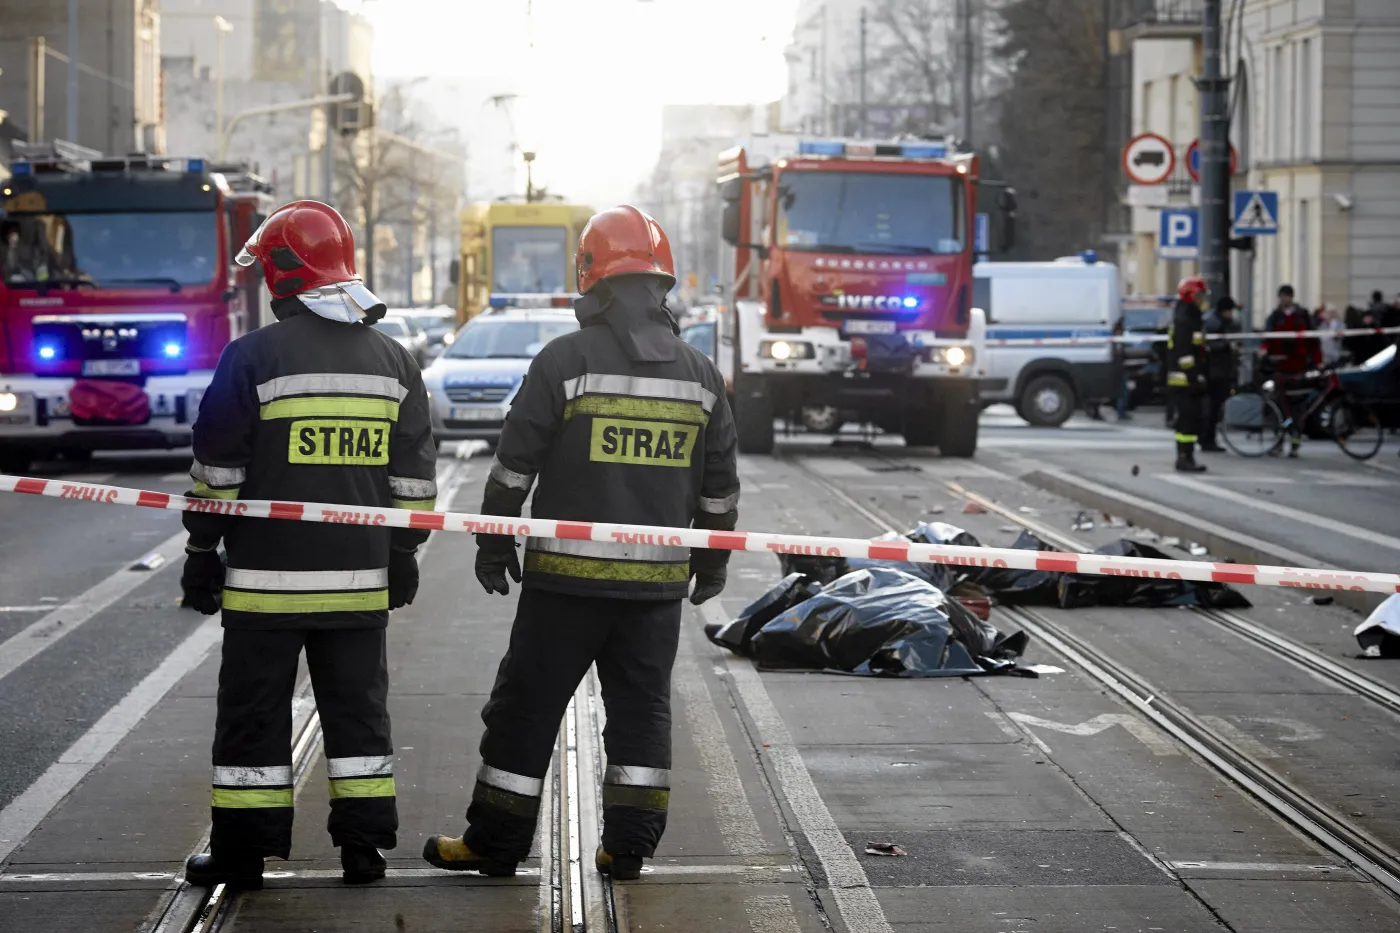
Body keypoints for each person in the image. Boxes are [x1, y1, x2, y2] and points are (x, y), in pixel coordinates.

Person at [422, 205, 740, 882]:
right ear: (662, 283)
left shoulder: (563, 361)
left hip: (564, 588)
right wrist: (711, 561)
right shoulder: (701, 374)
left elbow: (514, 466)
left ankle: (496, 842)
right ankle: (628, 848)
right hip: (655, 592)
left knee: (525, 710)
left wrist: (493, 542)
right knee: (641, 715)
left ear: (591, 278)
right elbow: (719, 488)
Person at [179, 201, 437, 889]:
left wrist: (201, 552)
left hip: (264, 587)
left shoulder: (251, 357)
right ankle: (363, 848)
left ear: (281, 275)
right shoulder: (395, 362)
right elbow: (414, 480)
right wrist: (403, 553)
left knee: (253, 718)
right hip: (358, 583)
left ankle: (242, 854)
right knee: (359, 716)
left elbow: (218, 470)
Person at [1262, 284, 1321, 457]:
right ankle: (1279, 441)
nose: (1283, 300)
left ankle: (1295, 440)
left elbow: (1313, 340)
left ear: (1291, 297)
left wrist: (1317, 361)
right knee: (1279, 405)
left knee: (1297, 406)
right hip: (1280, 367)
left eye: (1285, 296)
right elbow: (1268, 338)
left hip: (1298, 366)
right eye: (1281, 297)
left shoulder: (1302, 316)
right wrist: (1265, 351)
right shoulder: (1275, 316)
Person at [1166, 275, 1211, 472]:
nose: (1202, 300)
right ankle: (1184, 457)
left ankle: (1187, 456)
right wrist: (1194, 375)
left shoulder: (1190, 316)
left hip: (1187, 378)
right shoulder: (1185, 319)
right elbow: (1184, 353)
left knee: (1191, 420)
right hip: (1184, 379)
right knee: (1186, 420)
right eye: (1200, 296)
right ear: (1190, 295)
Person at [1200, 295, 1241, 451]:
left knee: (1216, 406)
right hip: (1215, 371)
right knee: (1213, 406)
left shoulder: (1219, 321)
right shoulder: (1213, 323)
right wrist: (1227, 346)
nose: (1231, 314)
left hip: (1222, 370)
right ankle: (1207, 438)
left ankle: (1208, 437)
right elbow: (1210, 344)